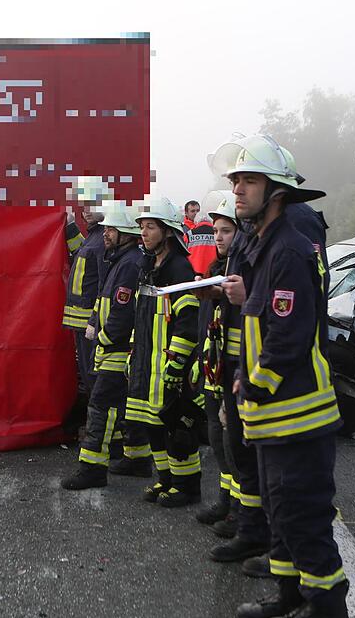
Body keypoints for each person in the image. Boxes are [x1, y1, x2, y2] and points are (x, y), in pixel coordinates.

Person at [218, 134, 349, 618]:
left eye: (248, 180)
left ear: (276, 191)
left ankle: (327, 611)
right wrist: (241, 378)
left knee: (302, 512)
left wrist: (253, 384)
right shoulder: (263, 247)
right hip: (273, 414)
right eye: (235, 180)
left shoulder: (290, 250)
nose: (237, 190)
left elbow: (290, 335)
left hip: (297, 412)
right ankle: (290, 593)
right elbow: (259, 324)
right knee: (278, 508)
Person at [61, 202, 150, 489]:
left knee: (101, 404)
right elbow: (104, 297)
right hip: (114, 344)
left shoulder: (127, 264)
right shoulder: (119, 259)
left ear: (125, 233)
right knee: (124, 404)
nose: (106, 233)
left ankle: (92, 469)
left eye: (112, 229)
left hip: (117, 347)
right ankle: (136, 458)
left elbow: (122, 312)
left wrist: (103, 337)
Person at [125, 196, 202, 507]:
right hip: (146, 364)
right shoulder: (148, 265)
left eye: (151, 226)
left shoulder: (179, 268)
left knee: (175, 429)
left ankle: (188, 487)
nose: (144, 232)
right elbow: (140, 314)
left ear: (168, 231)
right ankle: (166, 480)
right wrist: (133, 352)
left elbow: (187, 321)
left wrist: (178, 363)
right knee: (151, 425)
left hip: (167, 366)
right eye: (142, 226)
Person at [192, 193, 240, 528]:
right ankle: (225, 500)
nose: (219, 237)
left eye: (226, 231)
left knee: (234, 440)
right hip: (214, 365)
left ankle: (240, 509)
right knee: (217, 435)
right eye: (217, 231)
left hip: (235, 370)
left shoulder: (242, 272)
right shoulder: (214, 270)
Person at [62, 176, 110, 398]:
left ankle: (101, 426)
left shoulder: (104, 239)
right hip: (81, 321)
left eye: (95, 204)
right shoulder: (94, 237)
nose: (88, 210)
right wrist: (71, 228)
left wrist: (94, 320)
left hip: (90, 321)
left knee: (93, 375)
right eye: (86, 205)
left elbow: (104, 284)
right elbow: (79, 252)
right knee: (87, 372)